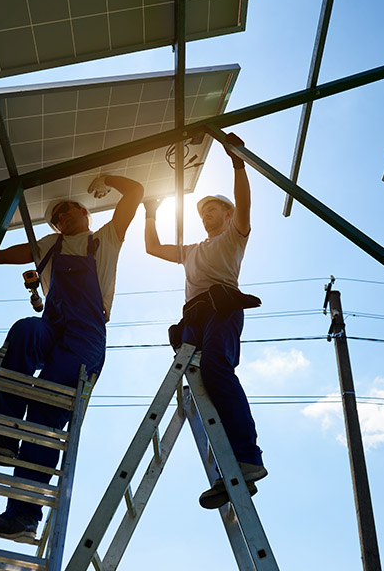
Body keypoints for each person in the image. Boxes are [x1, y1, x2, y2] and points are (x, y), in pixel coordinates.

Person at [0, 174, 143, 539]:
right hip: (52, 327)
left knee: (43, 417)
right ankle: (3, 434)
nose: (61, 220)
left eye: (66, 213)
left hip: (85, 335)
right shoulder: (48, 246)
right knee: (25, 330)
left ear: (84, 212)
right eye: (55, 219)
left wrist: (105, 178)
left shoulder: (107, 236)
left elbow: (136, 192)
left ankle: (23, 516)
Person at [143, 133, 266, 510]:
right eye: (203, 212)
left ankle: (248, 456)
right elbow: (151, 247)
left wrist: (238, 162)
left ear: (227, 216)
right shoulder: (191, 250)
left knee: (216, 368)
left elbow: (245, 205)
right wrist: (150, 211)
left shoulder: (234, 237)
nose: (206, 214)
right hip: (192, 316)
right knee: (199, 387)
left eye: (213, 209)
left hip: (222, 308)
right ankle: (226, 473)